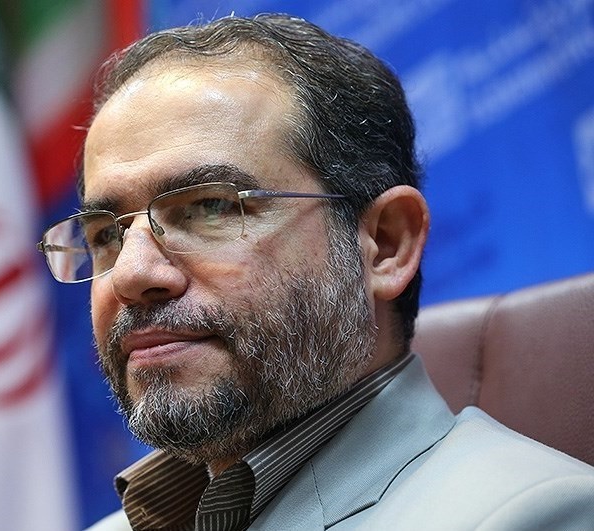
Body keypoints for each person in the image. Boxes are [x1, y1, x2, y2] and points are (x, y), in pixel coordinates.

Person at [37, 13, 594, 531]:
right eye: (105, 235)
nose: (130, 274)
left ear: (385, 244)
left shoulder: (530, 514)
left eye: (210, 207)